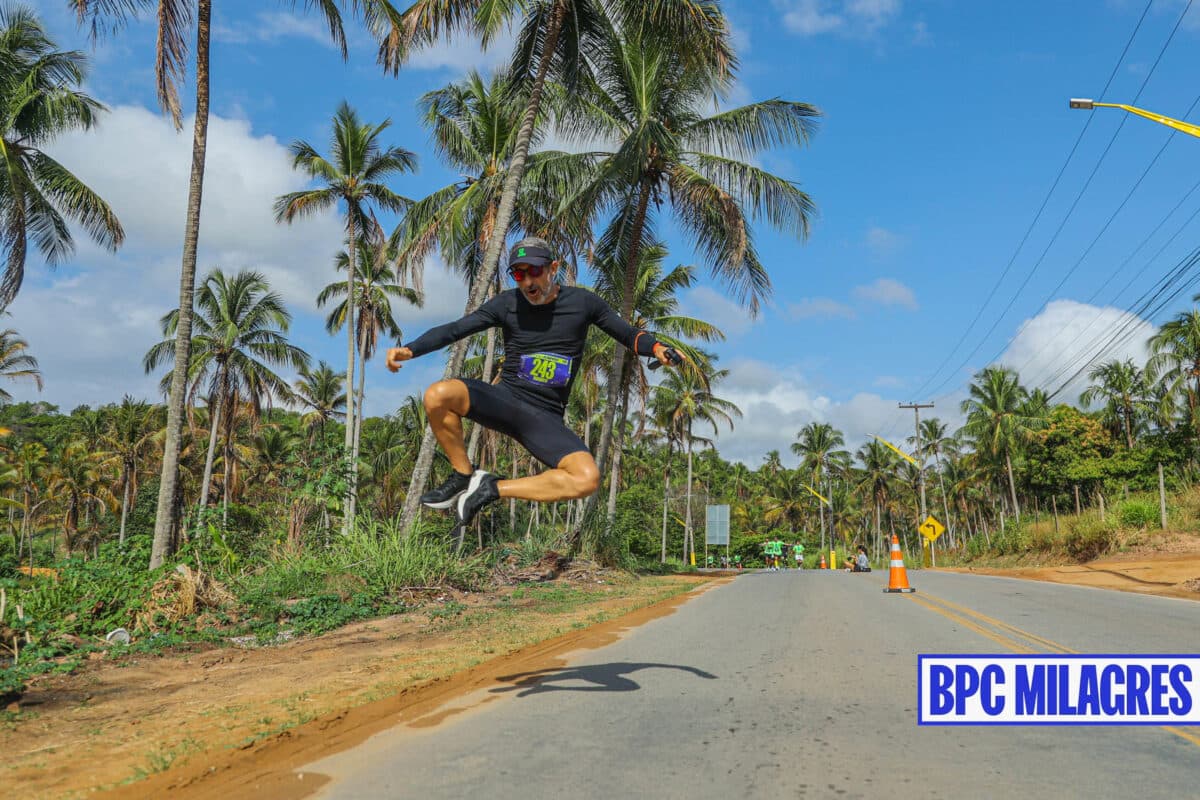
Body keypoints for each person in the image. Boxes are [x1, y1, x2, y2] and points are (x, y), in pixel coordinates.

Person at [386, 237, 683, 528]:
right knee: (439, 395)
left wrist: (656, 348)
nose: (528, 282)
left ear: (553, 268)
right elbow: (456, 329)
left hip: (544, 417)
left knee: (586, 478)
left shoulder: (583, 303)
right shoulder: (506, 304)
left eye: (535, 271)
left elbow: (629, 334)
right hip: (506, 400)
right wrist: (411, 349)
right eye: (519, 273)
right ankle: (462, 474)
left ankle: (492, 488)